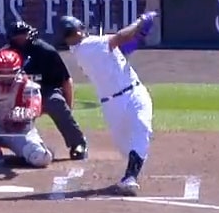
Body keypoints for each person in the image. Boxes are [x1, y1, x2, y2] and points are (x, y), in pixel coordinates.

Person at [56, 13, 156, 196]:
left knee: (141, 128)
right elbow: (121, 37)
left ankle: (130, 177)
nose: (73, 35)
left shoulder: (95, 45)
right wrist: (141, 22)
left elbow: (124, 49)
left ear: (79, 29)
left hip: (135, 93)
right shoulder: (86, 47)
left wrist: (139, 36)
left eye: (73, 31)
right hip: (112, 104)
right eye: (68, 34)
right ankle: (136, 158)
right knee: (125, 147)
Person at [0, 20, 88, 160]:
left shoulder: (46, 52)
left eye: (23, 35)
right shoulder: (5, 55)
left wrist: (68, 108)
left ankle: (78, 143)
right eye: (17, 37)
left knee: (56, 102)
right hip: (17, 93)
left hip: (45, 92)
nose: (21, 39)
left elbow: (66, 81)